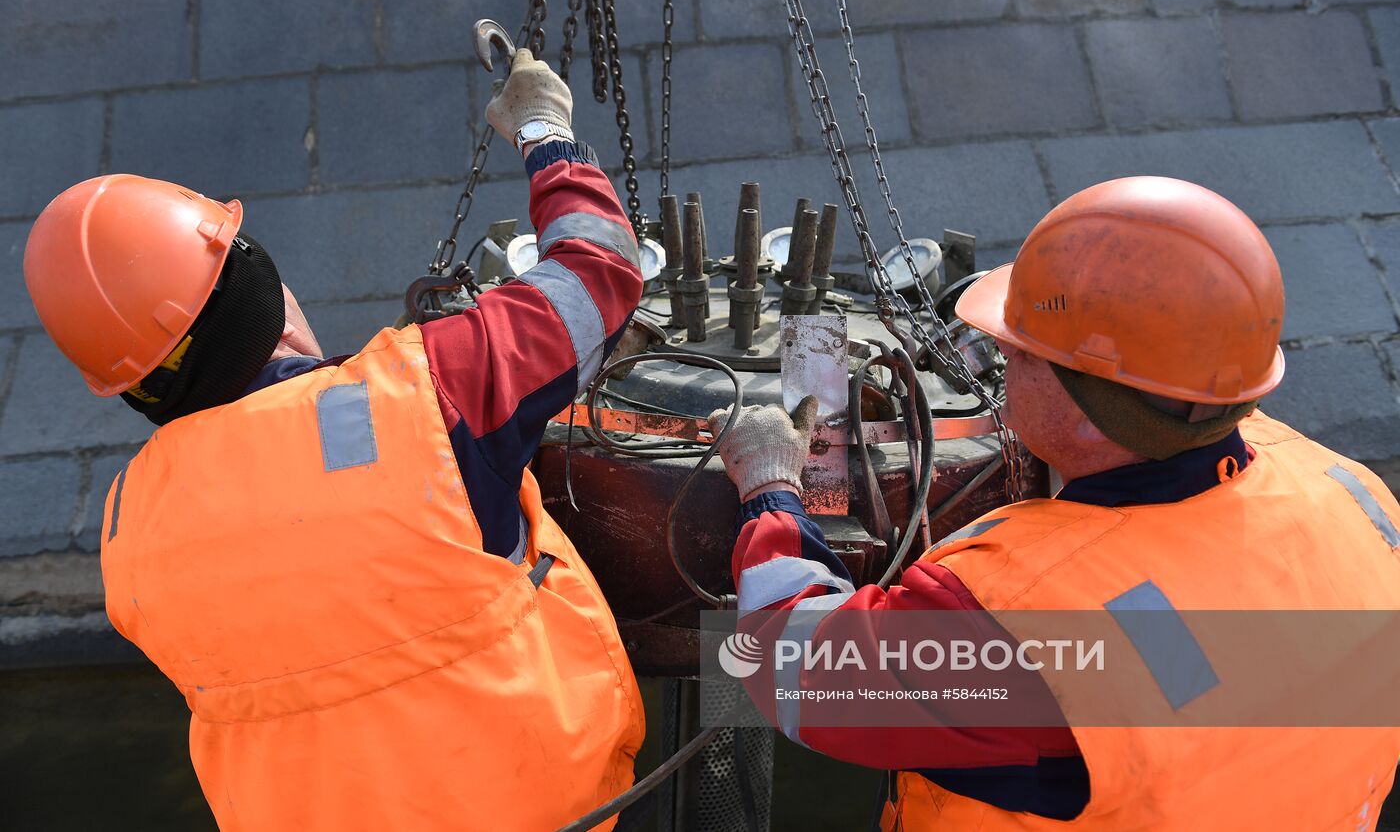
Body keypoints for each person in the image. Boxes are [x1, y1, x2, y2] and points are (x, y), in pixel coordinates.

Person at [23, 51, 644, 831]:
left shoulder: (128, 535)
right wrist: (547, 131)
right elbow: (600, 271)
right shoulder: (430, 392)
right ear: (253, 288)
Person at [711, 177, 1400, 830]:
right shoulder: (1352, 493)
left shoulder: (1032, 629)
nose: (1003, 358)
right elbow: (1187, 656)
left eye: (1020, 352)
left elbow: (786, 665)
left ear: (1089, 410)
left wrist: (771, 487)